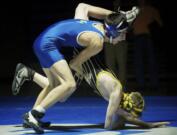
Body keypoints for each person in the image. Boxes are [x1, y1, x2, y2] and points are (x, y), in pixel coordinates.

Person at [13, 3, 138, 134]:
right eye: (122, 33)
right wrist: (87, 77)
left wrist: (117, 15)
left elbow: (82, 6)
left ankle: (30, 111)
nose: (124, 37)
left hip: (42, 41)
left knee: (54, 86)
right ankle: (33, 115)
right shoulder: (97, 42)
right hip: (47, 45)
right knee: (69, 84)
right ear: (113, 32)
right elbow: (74, 63)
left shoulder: (92, 24)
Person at [12, 59, 169, 130]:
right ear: (127, 107)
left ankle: (28, 73)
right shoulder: (115, 95)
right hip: (76, 62)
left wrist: (148, 125)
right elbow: (108, 126)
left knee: (60, 92)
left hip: (80, 65)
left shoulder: (118, 95)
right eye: (131, 114)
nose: (130, 118)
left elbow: (127, 117)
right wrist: (121, 122)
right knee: (62, 92)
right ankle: (28, 73)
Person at [132, 0, 163, 92]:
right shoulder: (134, 11)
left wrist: (152, 26)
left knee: (151, 61)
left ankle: (154, 84)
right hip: (137, 37)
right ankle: (141, 84)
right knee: (139, 62)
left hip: (148, 37)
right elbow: (131, 24)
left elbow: (160, 23)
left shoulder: (152, 10)